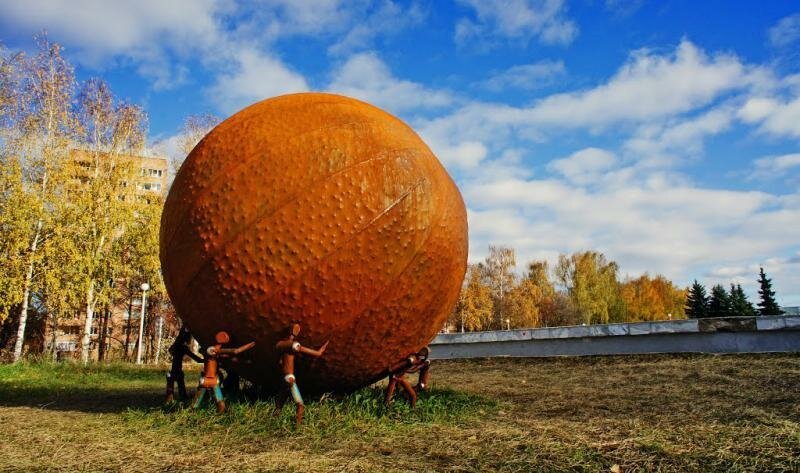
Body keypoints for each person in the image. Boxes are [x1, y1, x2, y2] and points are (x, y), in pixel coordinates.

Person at [274, 324, 329, 425]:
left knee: (281, 401)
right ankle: (297, 427)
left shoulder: (280, 345)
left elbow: (280, 361)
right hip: (290, 378)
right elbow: (301, 349)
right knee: (300, 404)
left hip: (284, 377)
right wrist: (320, 351)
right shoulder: (292, 345)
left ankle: (274, 420)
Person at [192, 331, 255, 413]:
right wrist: (251, 344)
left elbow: (227, 356)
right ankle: (220, 410)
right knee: (217, 398)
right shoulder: (213, 350)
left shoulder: (212, 349)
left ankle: (194, 410)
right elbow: (235, 351)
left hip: (209, 378)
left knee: (211, 397)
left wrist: (244, 361)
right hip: (211, 379)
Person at [165, 326, 203, 403]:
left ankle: (169, 400)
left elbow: (170, 351)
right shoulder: (183, 347)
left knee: (175, 386)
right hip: (178, 371)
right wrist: (206, 359)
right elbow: (197, 359)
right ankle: (181, 398)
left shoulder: (176, 345)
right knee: (181, 386)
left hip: (173, 370)